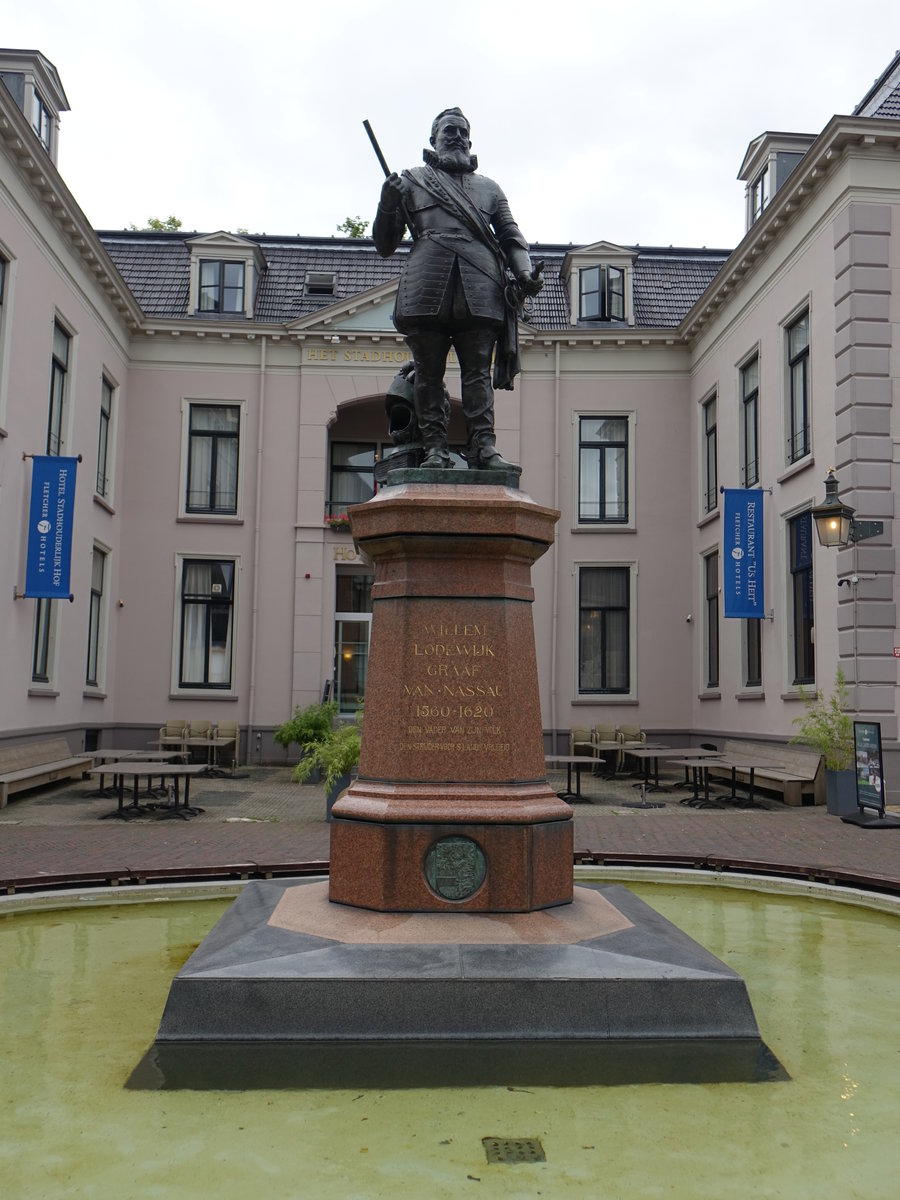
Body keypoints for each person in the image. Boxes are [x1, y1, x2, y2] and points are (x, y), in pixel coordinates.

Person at [373, 108, 543, 470]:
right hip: (426, 281)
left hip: (481, 284)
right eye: (448, 130)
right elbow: (385, 244)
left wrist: (525, 273)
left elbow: (512, 237)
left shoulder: (490, 189)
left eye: (462, 131)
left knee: (478, 373)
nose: (455, 136)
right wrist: (387, 204)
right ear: (433, 139)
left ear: (469, 140)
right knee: (428, 372)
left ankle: (484, 447)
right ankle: (434, 448)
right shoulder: (412, 181)